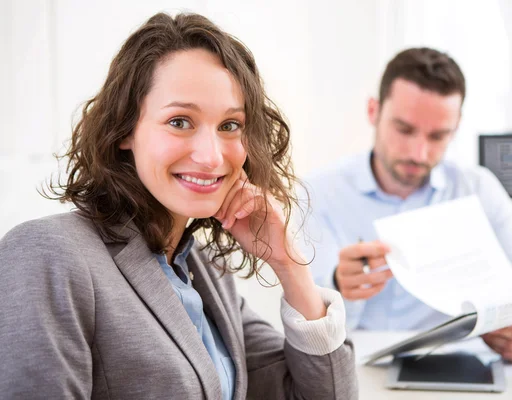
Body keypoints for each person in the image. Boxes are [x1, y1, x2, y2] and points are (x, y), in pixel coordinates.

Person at [0, 12, 357, 399]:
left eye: (229, 125)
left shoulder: (203, 273)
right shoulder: (47, 253)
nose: (210, 155)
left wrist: (290, 265)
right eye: (180, 122)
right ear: (125, 129)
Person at [300, 47, 512, 364]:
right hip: (357, 367)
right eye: (404, 129)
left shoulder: (478, 189)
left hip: (460, 365)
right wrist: (339, 286)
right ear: (374, 111)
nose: (418, 153)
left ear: (456, 127)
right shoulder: (319, 192)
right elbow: (307, 326)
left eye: (438, 136)